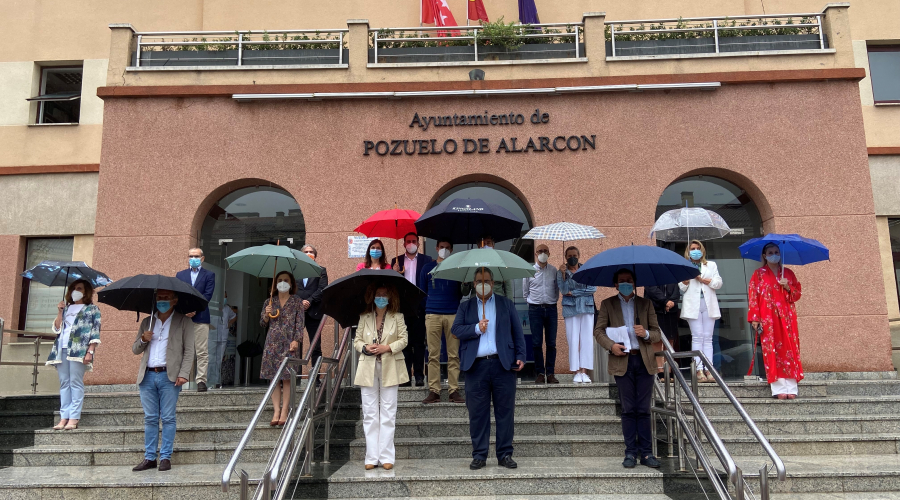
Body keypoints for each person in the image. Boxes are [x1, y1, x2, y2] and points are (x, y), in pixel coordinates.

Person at [451, 268, 526, 470]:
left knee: (505, 412)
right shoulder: (465, 307)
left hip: (503, 365)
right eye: (478, 281)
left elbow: (517, 332)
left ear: (493, 283)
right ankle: (479, 454)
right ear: (473, 284)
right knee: (477, 413)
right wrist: (476, 328)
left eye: (486, 280)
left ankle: (504, 454)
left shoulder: (506, 304)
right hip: (476, 366)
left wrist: (520, 355)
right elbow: (455, 330)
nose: (482, 283)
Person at [594, 268, 662, 469]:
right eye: (622, 281)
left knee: (643, 409)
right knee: (628, 409)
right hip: (622, 360)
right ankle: (630, 452)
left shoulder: (645, 303)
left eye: (629, 280)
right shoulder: (607, 304)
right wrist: (611, 345)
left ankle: (647, 454)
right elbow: (598, 331)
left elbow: (657, 333)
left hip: (643, 361)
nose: (626, 283)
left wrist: (647, 334)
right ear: (615, 284)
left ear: (635, 283)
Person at [131, 289, 195, 472]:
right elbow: (135, 349)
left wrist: (184, 373)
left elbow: (190, 350)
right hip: (148, 375)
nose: (162, 301)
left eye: (166, 298)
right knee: (150, 418)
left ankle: (165, 457)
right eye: (159, 298)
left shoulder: (184, 321)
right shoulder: (147, 321)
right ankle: (149, 457)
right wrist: (144, 339)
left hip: (170, 376)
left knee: (168, 417)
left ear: (175, 300)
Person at [353, 283, 408, 470]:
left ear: (391, 297)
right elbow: (356, 340)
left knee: (388, 413)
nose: (381, 297)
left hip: (390, 366)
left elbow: (404, 339)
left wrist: (388, 347)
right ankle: (371, 457)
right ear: (372, 296)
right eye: (378, 294)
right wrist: (365, 347)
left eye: (385, 294)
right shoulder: (364, 317)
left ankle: (386, 456)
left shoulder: (397, 317)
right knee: (369, 413)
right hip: (368, 367)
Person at [748, 243, 803, 400]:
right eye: (770, 252)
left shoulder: (788, 274)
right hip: (767, 318)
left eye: (776, 252)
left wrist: (788, 287)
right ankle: (778, 387)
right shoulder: (758, 274)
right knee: (772, 349)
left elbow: (797, 295)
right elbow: (753, 297)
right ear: (765, 256)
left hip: (787, 317)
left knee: (789, 349)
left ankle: (791, 387)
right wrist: (755, 318)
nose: (774, 254)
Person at [46, 279, 101, 431]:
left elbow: (95, 332)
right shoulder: (67, 308)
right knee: (64, 383)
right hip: (61, 349)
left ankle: (74, 418)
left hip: (79, 351)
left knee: (75, 382)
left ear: (86, 291)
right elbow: (57, 329)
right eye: (73, 288)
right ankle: (64, 417)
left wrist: (90, 351)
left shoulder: (92, 309)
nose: (75, 291)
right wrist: (60, 311)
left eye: (79, 288)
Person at [419, 239, 465, 404]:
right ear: (436, 248)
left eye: (447, 247)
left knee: (454, 354)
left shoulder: (456, 268)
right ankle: (434, 391)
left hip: (452, 314)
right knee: (433, 355)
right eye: (441, 247)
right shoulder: (427, 268)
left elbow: (461, 292)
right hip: (432, 315)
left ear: (451, 250)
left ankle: (454, 390)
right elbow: (422, 292)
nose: (444, 250)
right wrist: (430, 307)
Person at [260, 271, 304, 426]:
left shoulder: (297, 301)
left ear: (291, 283)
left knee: (287, 378)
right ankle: (276, 411)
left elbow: (299, 323)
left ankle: (285, 410)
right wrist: (266, 314)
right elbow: (263, 323)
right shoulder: (269, 302)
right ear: (275, 283)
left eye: (286, 280)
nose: (283, 282)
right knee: (274, 378)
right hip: (272, 342)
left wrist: (296, 340)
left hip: (289, 342)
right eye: (280, 280)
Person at [390, 232, 433, 387]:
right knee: (405, 343)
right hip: (403, 306)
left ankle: (420, 375)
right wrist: (393, 272)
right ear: (403, 244)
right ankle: (406, 376)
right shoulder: (396, 261)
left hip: (420, 306)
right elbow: (392, 285)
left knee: (419, 343)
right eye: (408, 241)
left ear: (419, 243)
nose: (411, 244)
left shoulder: (426, 260)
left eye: (414, 241)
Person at [678, 240, 723, 383]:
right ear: (688, 251)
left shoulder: (710, 265)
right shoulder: (684, 266)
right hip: (693, 305)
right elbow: (681, 288)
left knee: (708, 337)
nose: (695, 251)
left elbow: (718, 283)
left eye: (698, 248)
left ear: (702, 250)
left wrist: (703, 280)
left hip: (708, 303)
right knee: (697, 336)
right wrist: (685, 282)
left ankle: (708, 368)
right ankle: (698, 369)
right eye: (692, 248)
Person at [175, 247, 215, 392]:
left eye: (196, 256)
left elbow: (207, 295)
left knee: (202, 351)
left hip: (201, 316)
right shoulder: (180, 275)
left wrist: (195, 309)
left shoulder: (209, 275)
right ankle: (180, 379)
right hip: (183, 317)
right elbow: (177, 295)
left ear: (202, 258)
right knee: (181, 349)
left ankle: (201, 381)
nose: (193, 258)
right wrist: (185, 310)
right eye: (191, 256)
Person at [557, 246, 596, 384]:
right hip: (570, 309)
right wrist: (563, 275)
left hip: (586, 307)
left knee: (587, 340)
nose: (571, 257)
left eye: (574, 255)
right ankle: (576, 371)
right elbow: (563, 290)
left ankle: (584, 372)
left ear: (579, 255)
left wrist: (574, 293)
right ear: (565, 256)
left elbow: (592, 288)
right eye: (569, 255)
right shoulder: (561, 271)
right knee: (573, 340)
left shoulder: (587, 269)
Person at [523, 244, 560, 384]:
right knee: (537, 343)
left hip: (551, 309)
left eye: (545, 251)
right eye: (540, 251)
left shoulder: (554, 270)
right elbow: (525, 292)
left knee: (551, 343)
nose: (542, 253)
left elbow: (557, 290)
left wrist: (551, 301)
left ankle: (550, 373)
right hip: (535, 309)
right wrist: (533, 303)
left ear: (549, 253)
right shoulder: (529, 271)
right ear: (535, 254)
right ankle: (540, 373)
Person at [296, 244, 329, 381]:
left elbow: (322, 289)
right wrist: (299, 302)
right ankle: (289, 377)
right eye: (306, 252)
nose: (308, 253)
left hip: (314, 311)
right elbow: (291, 289)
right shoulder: (294, 271)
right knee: (293, 344)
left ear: (315, 256)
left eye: (311, 252)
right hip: (297, 312)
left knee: (315, 345)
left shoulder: (320, 270)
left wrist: (309, 301)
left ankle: (316, 377)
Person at [644, 282, 681, 375]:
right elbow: (651, 289)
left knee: (670, 340)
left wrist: (672, 302)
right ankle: (659, 370)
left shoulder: (671, 274)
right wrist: (665, 301)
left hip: (670, 311)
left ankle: (668, 370)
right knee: (656, 340)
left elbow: (676, 292)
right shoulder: (651, 273)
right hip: (655, 310)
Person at [209, 292, 237, 389]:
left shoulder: (227, 308)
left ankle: (217, 381)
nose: (225, 298)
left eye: (226, 296)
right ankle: (209, 381)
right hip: (212, 336)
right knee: (210, 359)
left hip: (223, 337)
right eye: (224, 296)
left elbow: (234, 316)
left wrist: (229, 324)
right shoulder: (211, 306)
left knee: (218, 360)